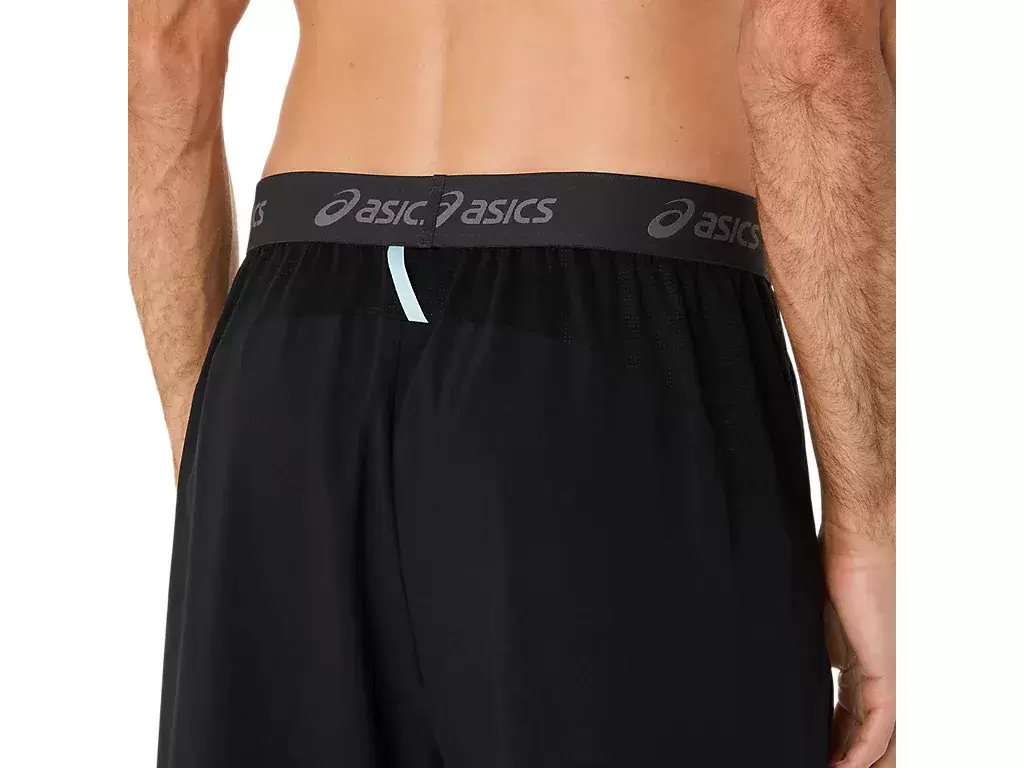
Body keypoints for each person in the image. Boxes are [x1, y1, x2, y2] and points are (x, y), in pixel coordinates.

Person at [128, 0, 895, 765]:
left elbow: (163, 45)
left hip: (289, 339)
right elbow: (810, 36)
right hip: (611, 330)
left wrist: (212, 447)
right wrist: (870, 528)